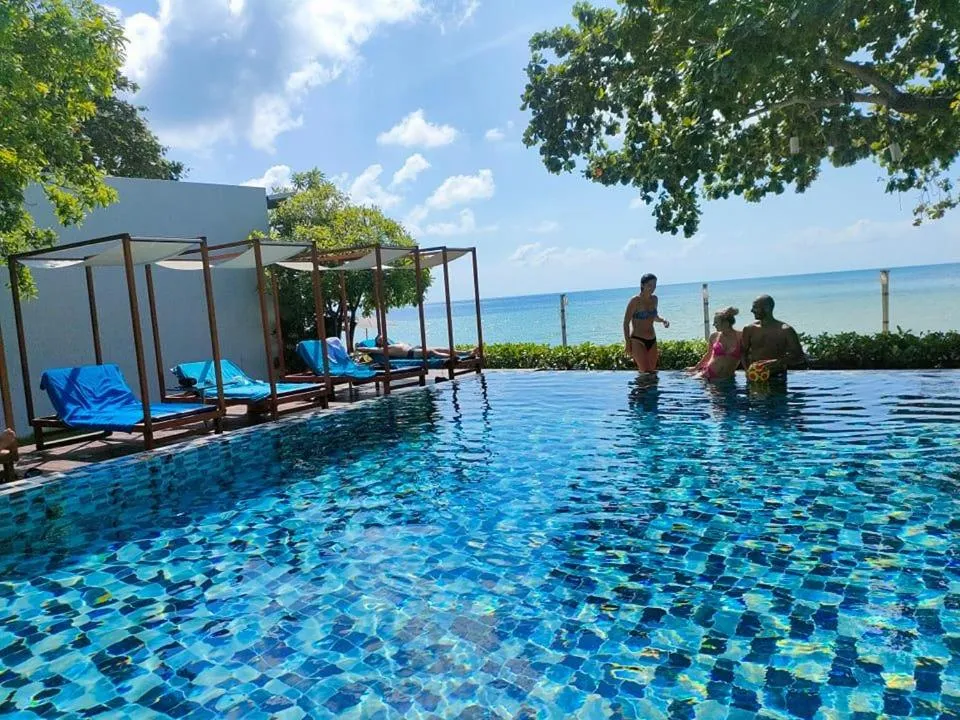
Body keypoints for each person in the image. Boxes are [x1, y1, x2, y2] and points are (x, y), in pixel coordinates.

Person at [741, 295, 805, 378]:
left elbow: (799, 356)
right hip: (754, 376)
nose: (752, 310)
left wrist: (777, 362)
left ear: (767, 308)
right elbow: (743, 352)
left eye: (755, 307)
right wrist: (747, 371)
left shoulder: (785, 330)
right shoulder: (749, 329)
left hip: (778, 377)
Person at [623, 273, 670, 372]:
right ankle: (640, 387)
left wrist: (663, 320)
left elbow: (654, 317)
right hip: (637, 340)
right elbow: (626, 322)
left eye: (654, 285)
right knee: (644, 371)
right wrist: (628, 343)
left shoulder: (654, 299)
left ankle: (648, 388)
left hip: (652, 339)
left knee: (652, 371)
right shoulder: (635, 301)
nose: (652, 288)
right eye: (649, 285)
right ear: (642, 285)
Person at [690, 306, 742, 381]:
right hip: (708, 374)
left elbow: (746, 356)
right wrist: (695, 368)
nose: (714, 325)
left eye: (716, 322)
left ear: (726, 323)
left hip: (727, 378)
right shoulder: (714, 336)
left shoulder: (740, 336)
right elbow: (708, 355)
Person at [372, 336, 478, 360]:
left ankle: (466, 352)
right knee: (432, 352)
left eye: (383, 337)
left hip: (415, 348)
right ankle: (455, 358)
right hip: (412, 353)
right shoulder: (384, 350)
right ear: (379, 344)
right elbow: (369, 350)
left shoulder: (393, 343)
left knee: (443, 348)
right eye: (380, 340)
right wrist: (358, 348)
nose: (384, 339)